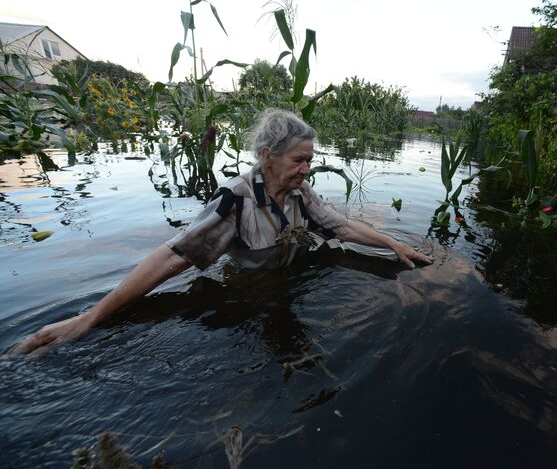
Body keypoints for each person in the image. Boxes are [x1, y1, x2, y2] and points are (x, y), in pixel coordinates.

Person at [9, 109, 432, 356]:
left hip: (288, 285)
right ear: (268, 156)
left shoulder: (300, 193)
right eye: (300, 160)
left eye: (311, 161)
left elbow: (341, 226)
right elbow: (175, 256)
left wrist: (393, 243)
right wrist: (91, 316)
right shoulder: (235, 199)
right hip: (247, 296)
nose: (307, 169)